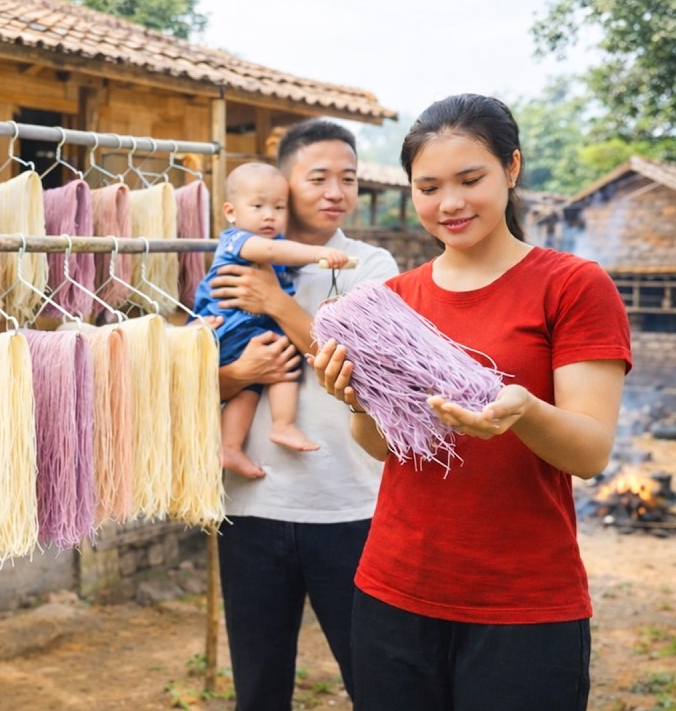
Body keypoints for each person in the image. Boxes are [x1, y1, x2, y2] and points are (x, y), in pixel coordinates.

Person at [312, 93, 631, 711]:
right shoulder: (392, 302)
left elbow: (590, 453)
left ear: (512, 168)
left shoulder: (572, 286)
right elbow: (386, 449)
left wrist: (525, 412)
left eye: (469, 179)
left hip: (524, 603)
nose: (449, 204)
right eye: (428, 188)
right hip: (394, 590)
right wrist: (357, 402)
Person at [208, 119, 399, 710]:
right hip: (252, 507)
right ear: (284, 184)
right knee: (259, 688)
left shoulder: (370, 265)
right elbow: (195, 373)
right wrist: (235, 376)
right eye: (318, 178)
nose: (336, 192)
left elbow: (371, 371)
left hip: (349, 505)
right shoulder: (236, 257)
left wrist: (275, 302)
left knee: (375, 679)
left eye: (348, 178)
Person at [193, 163, 349, 479]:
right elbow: (272, 250)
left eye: (279, 208)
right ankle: (283, 423)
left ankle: (230, 446)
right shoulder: (237, 240)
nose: (269, 216)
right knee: (285, 356)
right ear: (231, 212)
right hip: (231, 325)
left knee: (252, 387)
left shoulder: (270, 242)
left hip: (247, 329)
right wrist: (318, 253)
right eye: (258, 206)